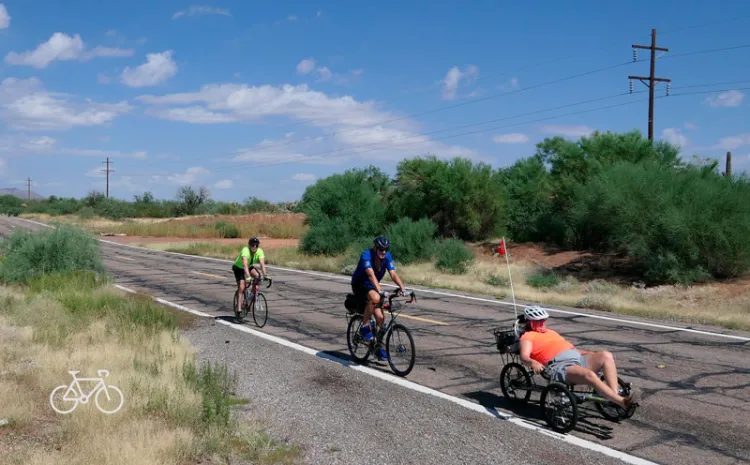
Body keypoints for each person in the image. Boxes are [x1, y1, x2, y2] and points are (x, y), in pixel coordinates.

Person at [517, 305, 641, 411]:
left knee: (606, 355)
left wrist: (589, 353)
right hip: (560, 366)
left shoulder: (551, 332)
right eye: (538, 321)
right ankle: (622, 402)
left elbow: (569, 348)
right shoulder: (528, 336)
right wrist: (533, 362)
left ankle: (614, 395)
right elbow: (524, 357)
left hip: (577, 358)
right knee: (590, 375)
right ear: (529, 322)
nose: (542, 323)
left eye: (543, 320)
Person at [350, 236, 407, 360]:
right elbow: (370, 274)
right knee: (375, 297)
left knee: (381, 318)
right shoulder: (366, 255)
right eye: (381, 249)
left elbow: (393, 273)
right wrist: (380, 291)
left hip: (373, 287)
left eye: (386, 249)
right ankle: (364, 327)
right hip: (360, 285)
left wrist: (403, 288)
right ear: (375, 248)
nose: (384, 252)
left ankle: (376, 347)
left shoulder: (387, 257)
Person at [232, 237, 269, 315]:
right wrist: (248, 277)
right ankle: (239, 310)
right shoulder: (245, 251)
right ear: (249, 245)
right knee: (241, 287)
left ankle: (250, 296)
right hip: (239, 267)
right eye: (252, 245)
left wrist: (265, 276)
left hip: (249, 266)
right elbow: (244, 265)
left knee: (258, 277)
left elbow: (262, 265)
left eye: (256, 245)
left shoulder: (260, 251)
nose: (254, 247)